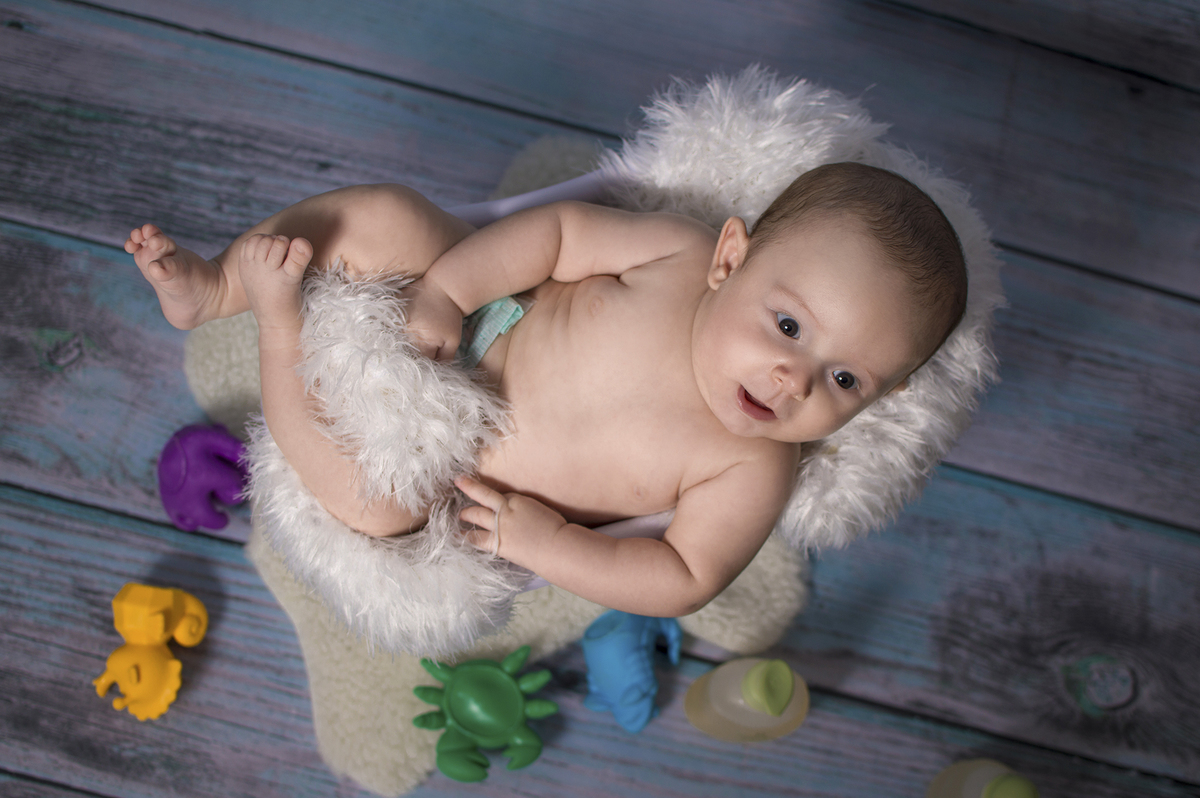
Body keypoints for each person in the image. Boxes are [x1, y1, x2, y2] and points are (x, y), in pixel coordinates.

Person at [127, 162, 966, 618]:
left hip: (458, 471)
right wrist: (450, 288)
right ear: (730, 258)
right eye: (787, 326)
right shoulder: (675, 255)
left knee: (373, 508)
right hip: (475, 316)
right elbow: (560, 234)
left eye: (845, 379)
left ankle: (274, 326)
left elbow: (682, 576)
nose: (793, 379)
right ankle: (217, 288)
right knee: (383, 214)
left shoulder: (754, 469)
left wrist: (550, 544)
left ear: (880, 398)